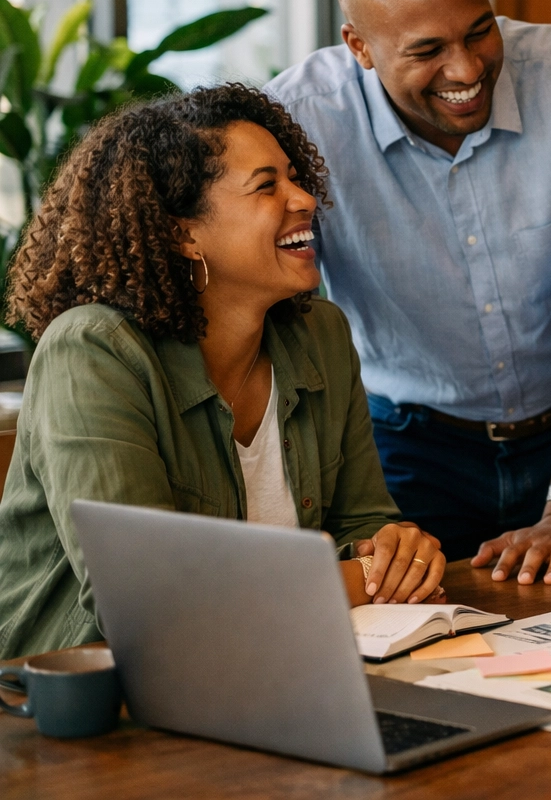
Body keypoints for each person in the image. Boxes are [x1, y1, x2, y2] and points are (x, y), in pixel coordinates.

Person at [0, 86, 443, 660]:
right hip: (87, 706)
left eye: (294, 176)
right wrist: (359, 579)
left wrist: (396, 550)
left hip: (274, 664)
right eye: (267, 186)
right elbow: (147, 604)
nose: (304, 198)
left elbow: (365, 522)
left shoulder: (322, 335)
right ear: (182, 233)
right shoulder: (93, 351)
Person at [266, 0, 551, 578]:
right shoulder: (299, 120)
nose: (466, 68)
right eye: (426, 50)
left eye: (480, 31)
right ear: (359, 46)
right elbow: (273, 308)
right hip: (405, 447)